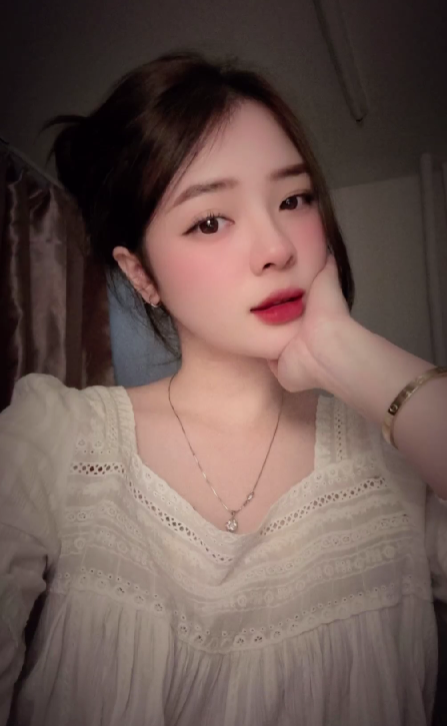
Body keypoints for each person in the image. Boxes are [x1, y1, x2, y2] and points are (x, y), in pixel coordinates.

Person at [1, 49, 446, 726]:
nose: (277, 247)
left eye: (293, 199)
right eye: (210, 220)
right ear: (140, 274)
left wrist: (352, 355)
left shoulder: (399, 460)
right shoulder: (59, 439)